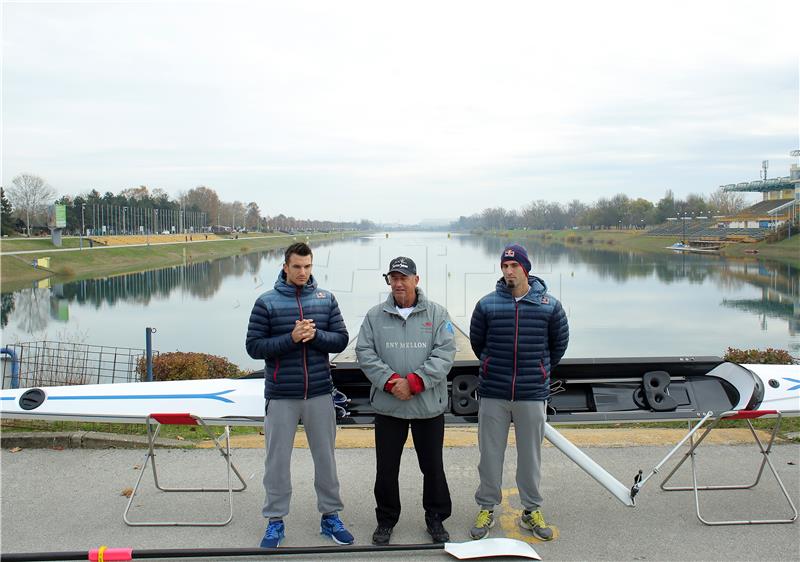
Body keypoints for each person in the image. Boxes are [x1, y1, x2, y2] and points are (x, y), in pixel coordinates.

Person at [245, 242, 353, 548]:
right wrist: (291, 339)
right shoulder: (266, 302)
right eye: (297, 267)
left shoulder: (326, 299)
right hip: (281, 395)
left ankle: (330, 516)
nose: (303, 272)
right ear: (285, 266)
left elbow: (341, 340)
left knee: (326, 460)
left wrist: (316, 336)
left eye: (307, 267)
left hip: (319, 392)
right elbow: (254, 347)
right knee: (277, 462)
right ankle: (275, 521)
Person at [468, 244, 569, 541]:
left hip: (531, 393)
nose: (509, 271)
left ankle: (531, 510)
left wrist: (539, 369)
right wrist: (489, 364)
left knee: (530, 457)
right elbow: (478, 343)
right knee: (489, 456)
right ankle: (487, 507)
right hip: (494, 392)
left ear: (526, 268)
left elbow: (558, 345)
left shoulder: (549, 305)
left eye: (514, 266)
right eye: (504, 266)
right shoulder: (487, 305)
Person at [356, 256, 456, 546]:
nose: (399, 283)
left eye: (404, 277)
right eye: (393, 277)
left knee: (432, 467)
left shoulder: (437, 314)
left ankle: (436, 518)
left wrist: (413, 383)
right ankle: (386, 520)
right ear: (389, 280)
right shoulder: (375, 316)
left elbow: (445, 353)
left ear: (416, 280)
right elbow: (365, 352)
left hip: (427, 406)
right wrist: (390, 383)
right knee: (387, 469)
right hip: (389, 406)